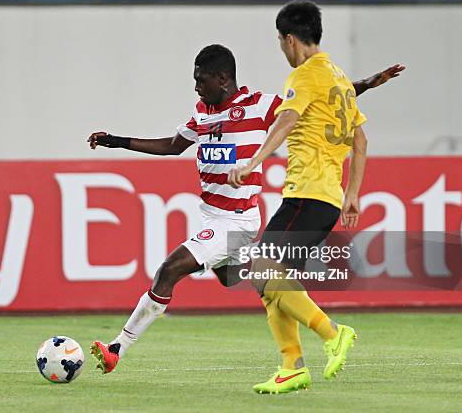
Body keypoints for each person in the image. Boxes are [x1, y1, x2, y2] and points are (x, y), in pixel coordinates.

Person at [87, 44, 403, 375]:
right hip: (211, 214)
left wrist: (365, 83)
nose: (196, 86)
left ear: (222, 78)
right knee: (236, 278)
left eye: (201, 80)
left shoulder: (260, 107)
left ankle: (117, 347)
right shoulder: (203, 114)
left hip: (235, 219)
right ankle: (272, 277)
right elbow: (172, 145)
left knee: (170, 270)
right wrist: (117, 140)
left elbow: (318, 99)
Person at [228, 0, 404, 394]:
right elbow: (360, 139)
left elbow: (287, 120)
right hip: (325, 196)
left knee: (259, 269)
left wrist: (253, 160)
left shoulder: (305, 76)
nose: (281, 48)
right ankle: (292, 366)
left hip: (307, 193)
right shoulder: (337, 78)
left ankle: (332, 333)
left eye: (280, 41)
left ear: (290, 39)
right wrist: (353, 193)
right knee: (270, 281)